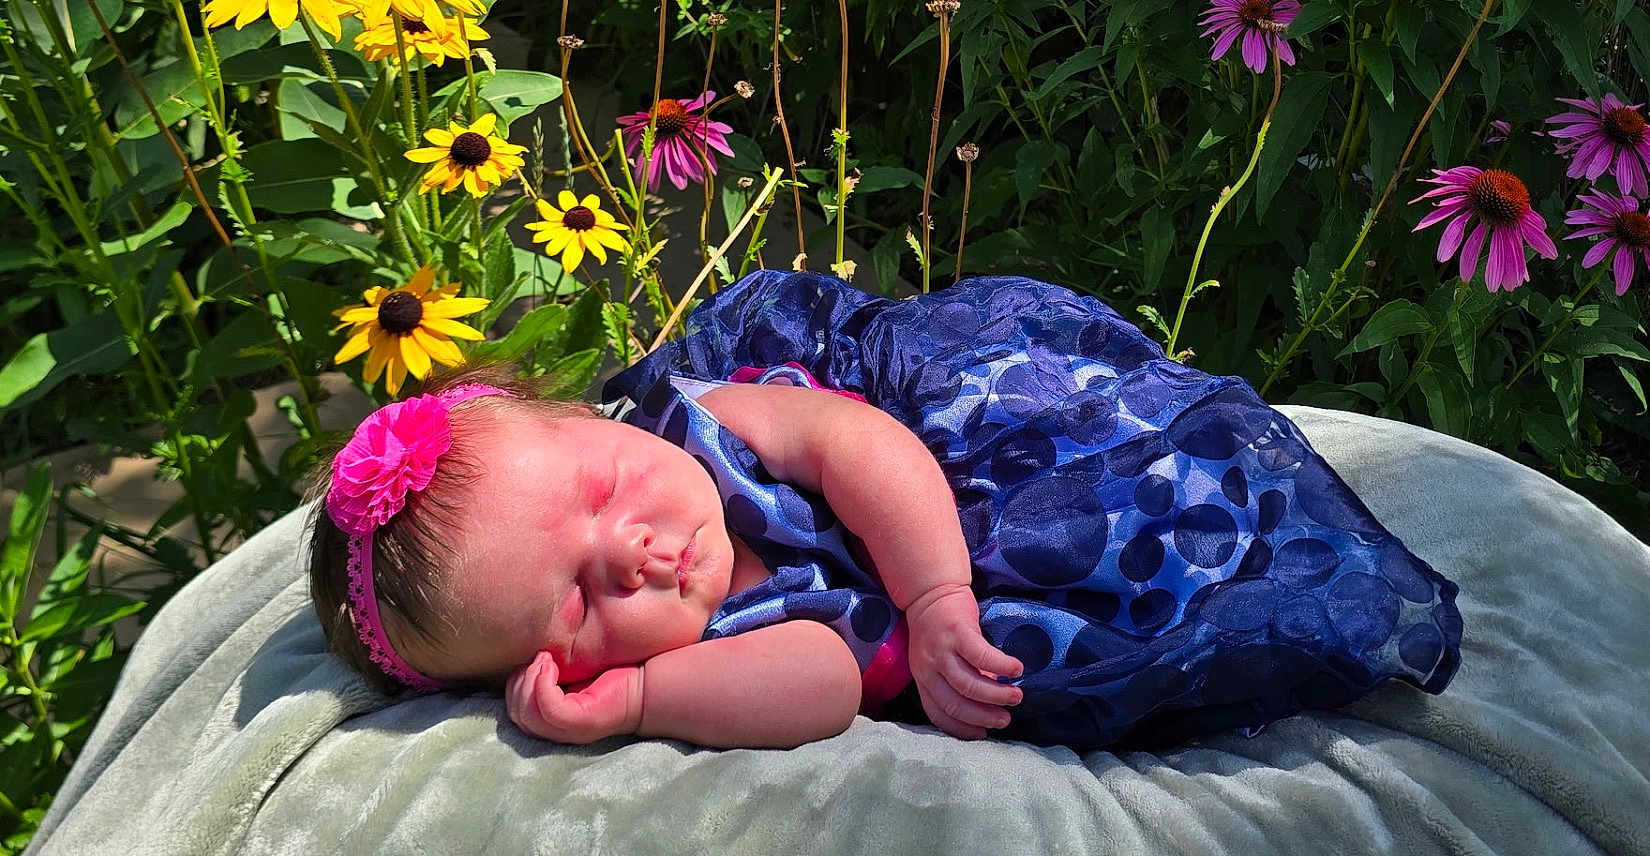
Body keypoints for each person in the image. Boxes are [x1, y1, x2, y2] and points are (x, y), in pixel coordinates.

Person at [307, 270, 1462, 751]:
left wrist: (936, 591)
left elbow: (858, 444)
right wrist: (640, 702)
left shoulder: (703, 424)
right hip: (924, 590)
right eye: (575, 605)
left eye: (601, 495)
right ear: (548, 668)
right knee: (1134, 609)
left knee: (1107, 467)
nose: (637, 554)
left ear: (593, 421)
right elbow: (821, 683)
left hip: (941, 475)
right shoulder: (709, 647)